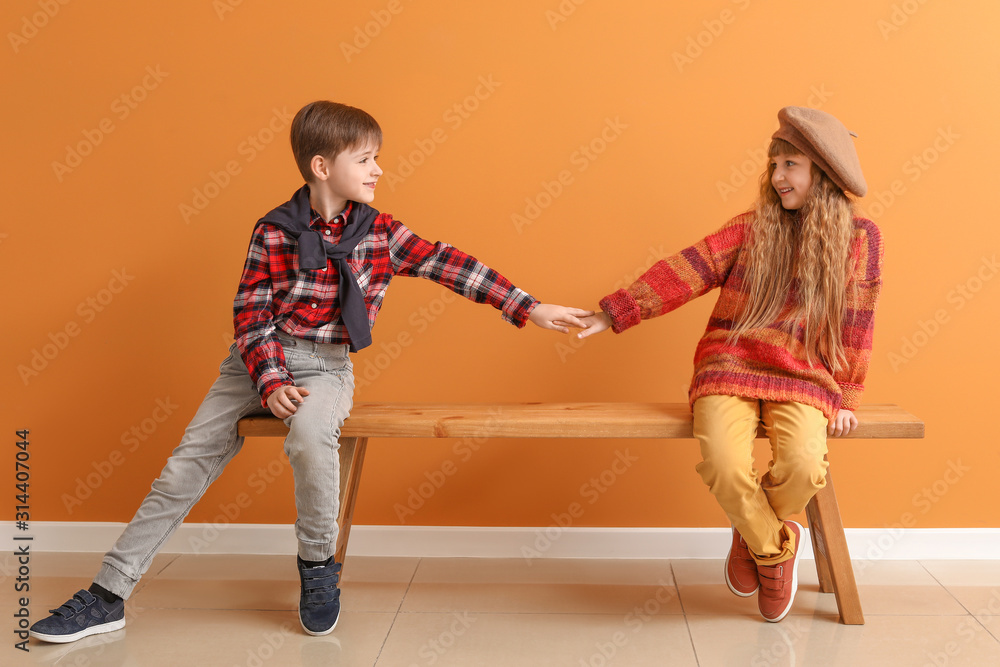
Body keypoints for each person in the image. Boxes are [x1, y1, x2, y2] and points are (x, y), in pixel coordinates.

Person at [30, 101, 592, 643]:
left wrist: (527, 305)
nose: (379, 168)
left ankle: (318, 564)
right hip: (251, 364)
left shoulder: (380, 232)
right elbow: (249, 316)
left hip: (325, 368)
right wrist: (270, 381)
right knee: (182, 469)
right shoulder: (273, 231)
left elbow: (452, 264)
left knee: (309, 439)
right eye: (365, 158)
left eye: (377, 157)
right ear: (323, 167)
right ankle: (107, 594)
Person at [577, 106, 884, 622]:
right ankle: (773, 545)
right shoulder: (751, 227)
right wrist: (618, 311)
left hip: (804, 376)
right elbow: (687, 270)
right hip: (730, 365)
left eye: (791, 164)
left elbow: (859, 317)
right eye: (775, 165)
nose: (778, 176)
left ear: (824, 175)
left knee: (805, 466)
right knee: (722, 461)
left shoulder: (859, 239)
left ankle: (752, 536)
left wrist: (849, 393)